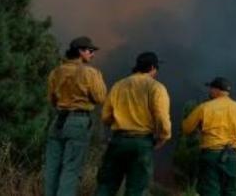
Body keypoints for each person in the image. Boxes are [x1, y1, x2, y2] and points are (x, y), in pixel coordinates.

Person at [95, 52, 171, 196]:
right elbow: (161, 117)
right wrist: (164, 137)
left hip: (117, 141)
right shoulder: (157, 88)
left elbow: (105, 117)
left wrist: (119, 124)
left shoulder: (119, 85)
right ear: (153, 68)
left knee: (106, 186)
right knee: (137, 189)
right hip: (141, 144)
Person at [44, 36, 107, 196]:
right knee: (71, 169)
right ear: (80, 51)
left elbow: (51, 99)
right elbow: (100, 98)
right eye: (90, 51)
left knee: (52, 168)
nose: (93, 54)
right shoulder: (91, 73)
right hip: (78, 122)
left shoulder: (56, 72)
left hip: (57, 121)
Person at [182, 77, 236, 196]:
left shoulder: (204, 107)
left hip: (210, 157)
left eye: (211, 88)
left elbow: (186, 128)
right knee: (232, 192)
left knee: (210, 192)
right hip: (232, 158)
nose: (209, 91)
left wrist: (200, 128)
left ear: (216, 90)